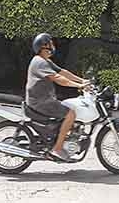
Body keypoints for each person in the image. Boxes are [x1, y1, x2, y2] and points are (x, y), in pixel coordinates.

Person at [26, 32, 89, 161]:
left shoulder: (45, 61)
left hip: (44, 100)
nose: (52, 46)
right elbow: (58, 78)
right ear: (43, 46)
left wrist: (82, 81)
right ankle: (58, 148)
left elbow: (62, 72)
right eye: (50, 43)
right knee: (71, 113)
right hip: (41, 102)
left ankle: (62, 138)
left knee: (68, 107)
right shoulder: (40, 62)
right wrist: (77, 86)